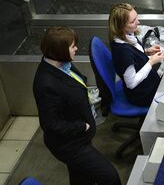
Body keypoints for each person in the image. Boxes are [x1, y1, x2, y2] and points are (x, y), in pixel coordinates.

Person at [33, 27, 120, 185]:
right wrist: (82, 127)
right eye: (72, 46)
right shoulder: (46, 84)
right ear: (59, 51)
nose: (76, 49)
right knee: (110, 177)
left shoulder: (62, 64)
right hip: (70, 144)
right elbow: (50, 124)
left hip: (81, 136)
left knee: (81, 176)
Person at [108, 3, 164, 107]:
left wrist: (146, 51)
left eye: (136, 18)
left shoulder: (127, 34)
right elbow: (131, 83)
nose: (138, 22)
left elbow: (133, 53)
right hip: (142, 95)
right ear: (121, 26)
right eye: (133, 21)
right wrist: (151, 62)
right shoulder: (122, 51)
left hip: (147, 82)